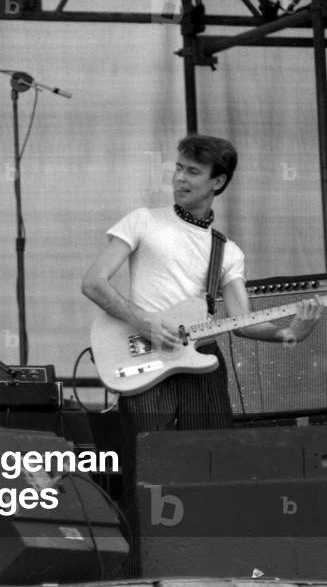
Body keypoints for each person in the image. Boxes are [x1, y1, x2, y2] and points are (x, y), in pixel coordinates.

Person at [80, 133, 323, 575]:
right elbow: (94, 283)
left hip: (201, 363)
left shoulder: (226, 251)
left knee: (211, 463)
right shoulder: (142, 220)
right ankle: (138, 574)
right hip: (144, 358)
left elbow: (244, 323)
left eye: (193, 171)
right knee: (148, 467)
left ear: (219, 181)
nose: (180, 178)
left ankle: (208, 570)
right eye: (179, 168)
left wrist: (293, 334)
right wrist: (144, 321)